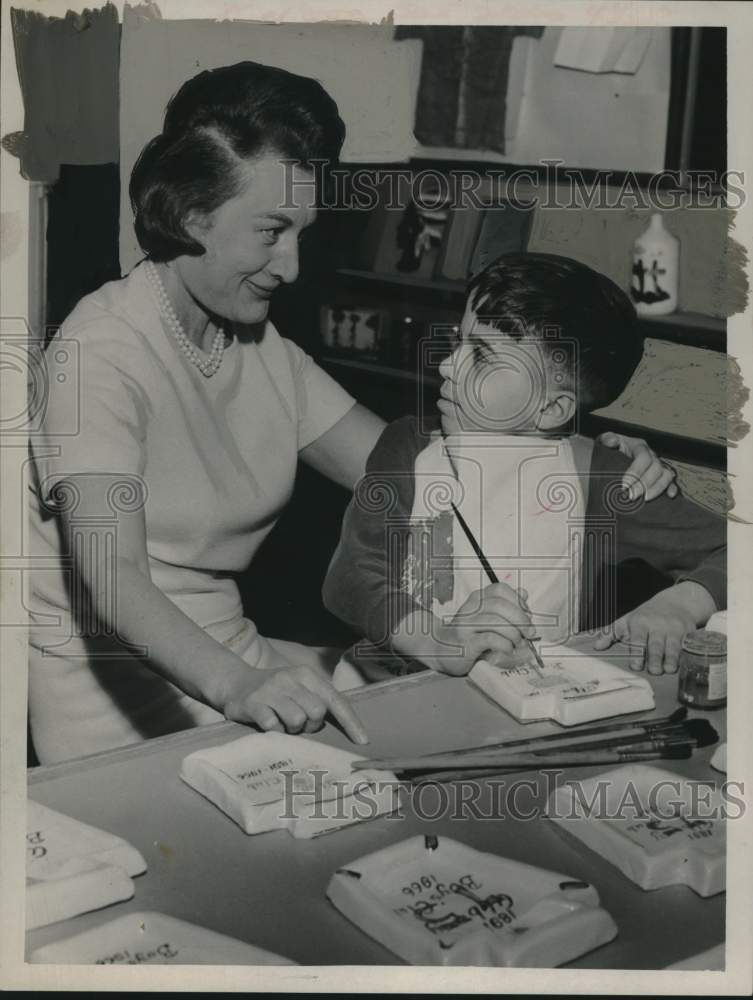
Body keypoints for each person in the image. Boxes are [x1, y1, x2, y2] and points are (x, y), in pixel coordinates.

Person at [29, 62, 675, 765]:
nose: (292, 265)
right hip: (118, 700)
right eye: (272, 231)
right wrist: (241, 684)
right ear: (191, 215)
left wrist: (577, 457)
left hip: (242, 661)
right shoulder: (100, 353)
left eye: (302, 232)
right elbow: (112, 578)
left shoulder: (260, 349)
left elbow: (425, 476)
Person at [323, 253, 725, 683]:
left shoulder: (599, 476)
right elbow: (350, 577)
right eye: (460, 341)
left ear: (552, 408)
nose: (446, 365)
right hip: (390, 692)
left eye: (481, 355)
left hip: (526, 708)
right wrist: (436, 640)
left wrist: (681, 604)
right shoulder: (406, 447)